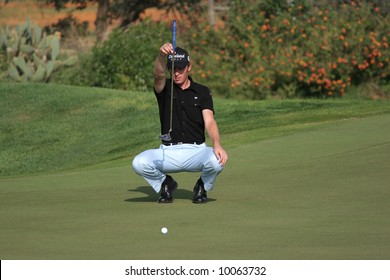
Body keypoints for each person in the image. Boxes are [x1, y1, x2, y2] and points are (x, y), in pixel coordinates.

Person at [132, 43, 228, 203]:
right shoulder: (164, 89)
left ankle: (202, 186)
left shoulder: (202, 91)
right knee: (139, 163)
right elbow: (158, 75)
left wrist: (217, 144)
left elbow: (209, 121)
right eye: (173, 69)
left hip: (196, 151)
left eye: (180, 69)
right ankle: (166, 184)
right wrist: (162, 56)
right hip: (168, 152)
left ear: (189, 67)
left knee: (218, 160)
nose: (176, 73)